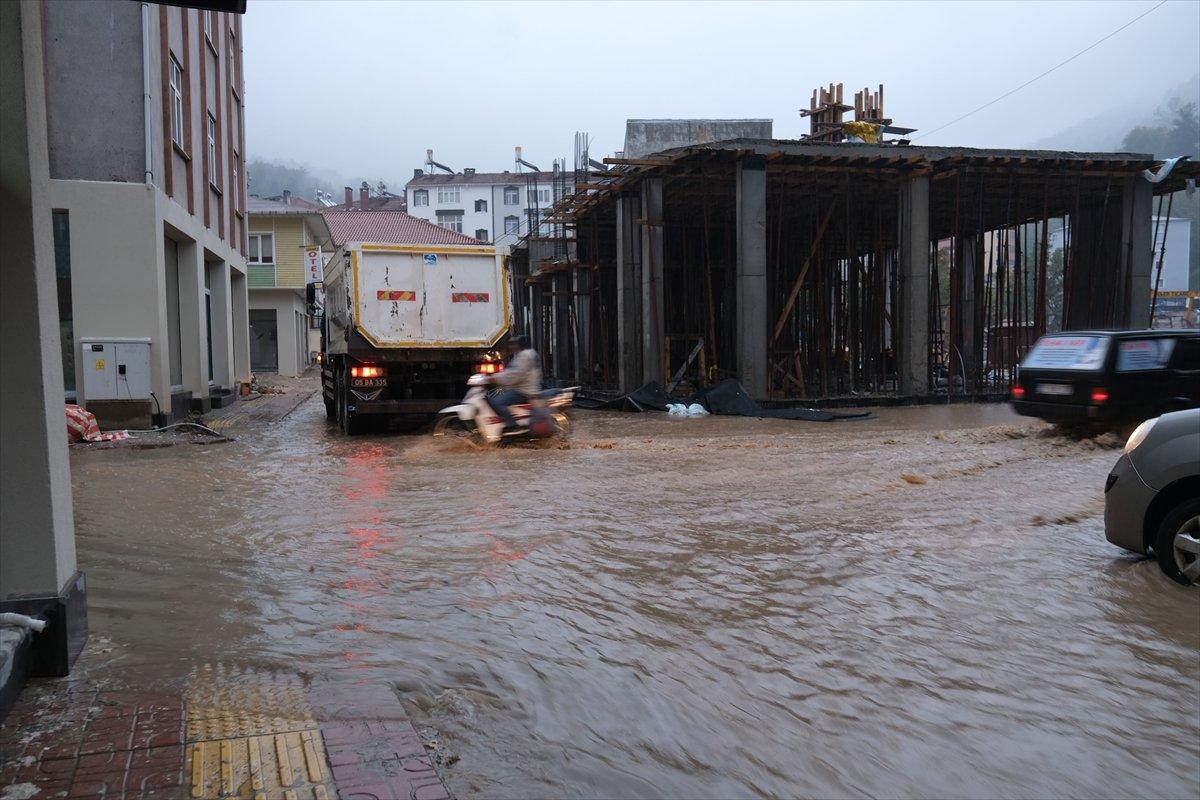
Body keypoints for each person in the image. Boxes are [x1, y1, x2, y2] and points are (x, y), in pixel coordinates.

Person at [488, 335, 542, 432]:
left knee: (496, 402)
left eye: (513, 344)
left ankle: (512, 425)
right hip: (527, 387)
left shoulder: (524, 356)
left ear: (520, 344)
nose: (511, 346)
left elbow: (514, 375)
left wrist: (493, 378)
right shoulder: (528, 354)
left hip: (523, 390)